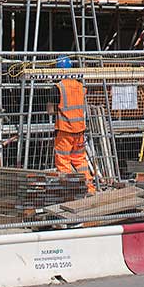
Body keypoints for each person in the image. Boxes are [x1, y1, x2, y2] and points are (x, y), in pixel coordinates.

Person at [48, 56, 94, 193]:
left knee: (63, 161)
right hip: (79, 130)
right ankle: (89, 188)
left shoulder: (58, 88)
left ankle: (70, 190)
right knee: (80, 160)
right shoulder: (80, 86)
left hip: (64, 131)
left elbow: (50, 111)